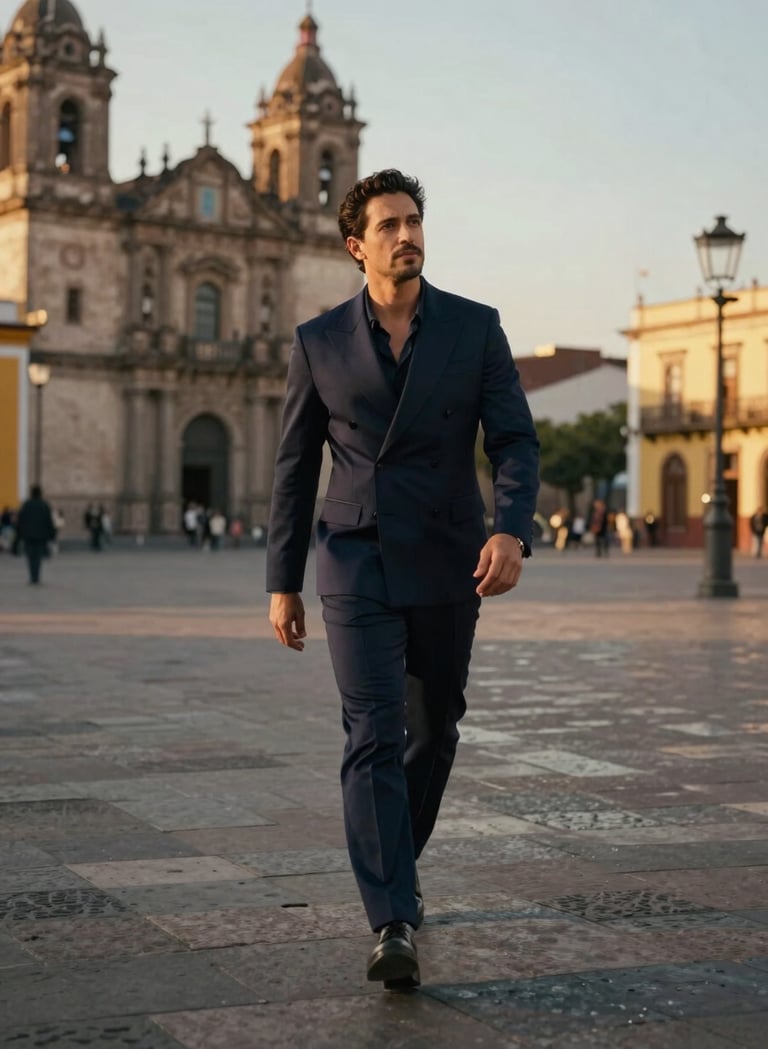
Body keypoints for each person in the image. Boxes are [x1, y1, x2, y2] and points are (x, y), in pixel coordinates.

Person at [266, 169, 539, 990]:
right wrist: (283, 579)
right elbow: (292, 461)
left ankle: (396, 863)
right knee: (374, 730)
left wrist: (511, 527)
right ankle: (391, 917)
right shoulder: (318, 340)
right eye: (388, 224)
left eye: (413, 220)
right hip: (354, 553)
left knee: (436, 724)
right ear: (357, 246)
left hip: (451, 554)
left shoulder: (474, 328)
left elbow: (516, 441)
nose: (406, 234)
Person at [17, 485, 56, 584]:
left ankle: (32, 577)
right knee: (38, 557)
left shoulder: (26, 505)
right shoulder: (44, 505)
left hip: (28, 535)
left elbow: (21, 520)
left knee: (30, 557)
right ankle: (36, 577)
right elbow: (49, 521)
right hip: (41, 536)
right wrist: (52, 534)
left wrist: (20, 533)